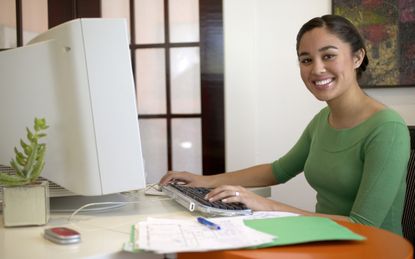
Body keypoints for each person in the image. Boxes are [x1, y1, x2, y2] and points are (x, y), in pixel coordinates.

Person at [159, 15, 411, 236]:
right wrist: (204, 181)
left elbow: (362, 226)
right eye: (306, 59)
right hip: (324, 242)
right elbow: (277, 171)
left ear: (357, 57)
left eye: (329, 56)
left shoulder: (387, 129)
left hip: (374, 251)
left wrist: (264, 205)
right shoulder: (322, 121)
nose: (317, 68)